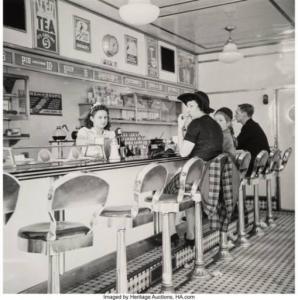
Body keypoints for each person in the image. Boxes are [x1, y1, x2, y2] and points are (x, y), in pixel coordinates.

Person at [169, 91, 223, 246]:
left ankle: (171, 233)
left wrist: (179, 128)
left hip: (198, 178)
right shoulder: (215, 124)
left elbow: (183, 152)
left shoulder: (195, 123)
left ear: (201, 106)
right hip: (210, 178)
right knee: (188, 195)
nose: (187, 110)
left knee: (165, 190)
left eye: (191, 106)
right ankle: (191, 235)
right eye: (187, 106)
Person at [235, 103, 270, 175]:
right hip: (262, 163)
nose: (235, 115)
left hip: (255, 165)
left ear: (244, 114)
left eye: (237, 113)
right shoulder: (252, 125)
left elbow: (236, 145)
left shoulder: (249, 127)